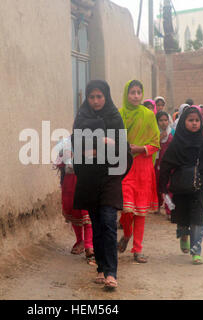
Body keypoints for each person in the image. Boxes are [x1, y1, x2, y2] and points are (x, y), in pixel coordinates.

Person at [72, 80, 132, 290]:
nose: (96, 101)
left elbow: (122, 150)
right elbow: (77, 147)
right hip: (89, 179)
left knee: (108, 222)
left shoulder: (115, 118)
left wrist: (98, 149)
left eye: (99, 96)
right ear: (87, 99)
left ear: (106, 96)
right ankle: (100, 267)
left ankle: (111, 273)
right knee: (97, 225)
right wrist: (103, 145)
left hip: (110, 177)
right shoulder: (81, 118)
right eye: (92, 97)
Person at [159, 107, 203, 265]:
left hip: (200, 184)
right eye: (190, 120)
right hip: (180, 185)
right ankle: (183, 234)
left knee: (198, 216)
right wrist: (162, 189)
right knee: (182, 213)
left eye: (197, 120)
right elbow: (165, 166)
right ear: (183, 122)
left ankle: (196, 251)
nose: (194, 123)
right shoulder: (177, 144)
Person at [118, 80, 160, 264]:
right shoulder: (119, 115)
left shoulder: (148, 115)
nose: (135, 96)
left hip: (143, 167)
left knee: (140, 212)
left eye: (138, 92)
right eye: (132, 92)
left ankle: (138, 249)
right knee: (127, 208)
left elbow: (156, 143)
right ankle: (127, 234)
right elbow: (113, 139)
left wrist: (141, 148)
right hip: (124, 167)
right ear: (126, 94)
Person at [53, 137, 95, 263]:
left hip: (87, 180)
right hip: (71, 181)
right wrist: (65, 156)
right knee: (74, 210)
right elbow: (59, 161)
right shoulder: (66, 142)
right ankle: (80, 240)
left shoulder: (94, 140)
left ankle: (88, 246)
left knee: (87, 213)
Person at [154, 111, 174, 218]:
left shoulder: (172, 132)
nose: (164, 123)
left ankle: (169, 210)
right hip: (157, 163)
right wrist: (159, 139)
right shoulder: (154, 133)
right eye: (161, 120)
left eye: (165, 120)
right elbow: (151, 146)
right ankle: (157, 206)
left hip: (169, 164)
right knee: (158, 184)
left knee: (168, 186)